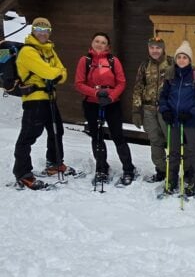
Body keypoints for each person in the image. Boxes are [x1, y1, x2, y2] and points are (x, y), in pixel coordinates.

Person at [12, 17, 70, 189]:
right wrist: (55, 73)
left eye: (46, 30)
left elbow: (63, 73)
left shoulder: (49, 50)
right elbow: (50, 73)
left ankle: (54, 163)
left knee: (56, 132)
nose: (42, 33)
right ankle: (23, 173)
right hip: (34, 100)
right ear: (32, 30)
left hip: (50, 98)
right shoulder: (28, 51)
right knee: (28, 137)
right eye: (38, 29)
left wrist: (56, 73)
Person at [75, 32, 137, 185]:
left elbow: (121, 82)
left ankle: (128, 168)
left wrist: (111, 97)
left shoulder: (113, 61)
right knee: (96, 136)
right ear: (92, 43)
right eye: (97, 41)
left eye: (103, 42)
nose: (99, 44)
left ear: (108, 46)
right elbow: (79, 83)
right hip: (92, 103)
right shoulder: (85, 60)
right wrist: (96, 93)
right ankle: (101, 169)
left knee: (118, 136)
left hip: (112, 103)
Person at [158, 40, 195, 196]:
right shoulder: (170, 77)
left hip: (191, 121)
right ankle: (171, 179)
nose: (181, 60)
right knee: (173, 151)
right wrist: (165, 110)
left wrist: (191, 112)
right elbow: (163, 96)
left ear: (189, 60)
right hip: (173, 120)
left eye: (184, 57)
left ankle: (194, 181)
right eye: (179, 57)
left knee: (193, 151)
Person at [131, 36, 174, 182]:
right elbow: (138, 88)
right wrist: (136, 111)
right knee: (155, 141)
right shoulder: (144, 66)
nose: (155, 50)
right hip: (149, 110)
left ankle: (176, 171)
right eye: (152, 47)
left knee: (172, 141)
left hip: (166, 110)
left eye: (158, 47)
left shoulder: (171, 63)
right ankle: (162, 170)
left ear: (163, 48)